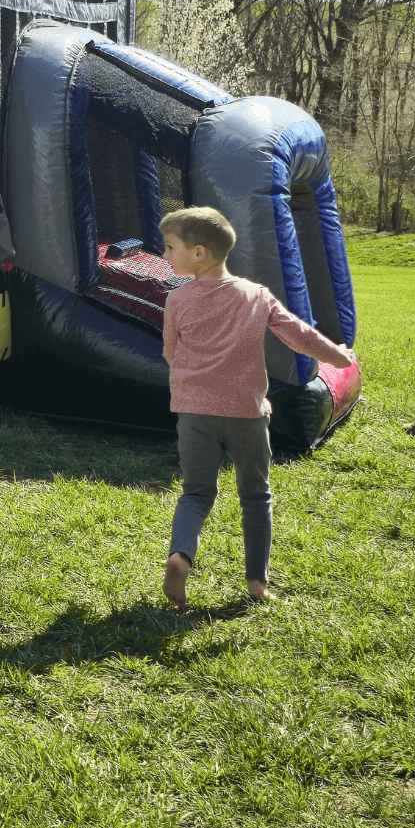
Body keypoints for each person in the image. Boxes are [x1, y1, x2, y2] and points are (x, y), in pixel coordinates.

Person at [157, 206, 355, 610]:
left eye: (170, 247)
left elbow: (170, 354)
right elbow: (299, 335)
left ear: (198, 254)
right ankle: (257, 583)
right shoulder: (256, 296)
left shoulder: (176, 299)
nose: (163, 256)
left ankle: (180, 556)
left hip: (194, 413)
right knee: (256, 496)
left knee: (195, 493)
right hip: (246, 414)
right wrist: (339, 358)